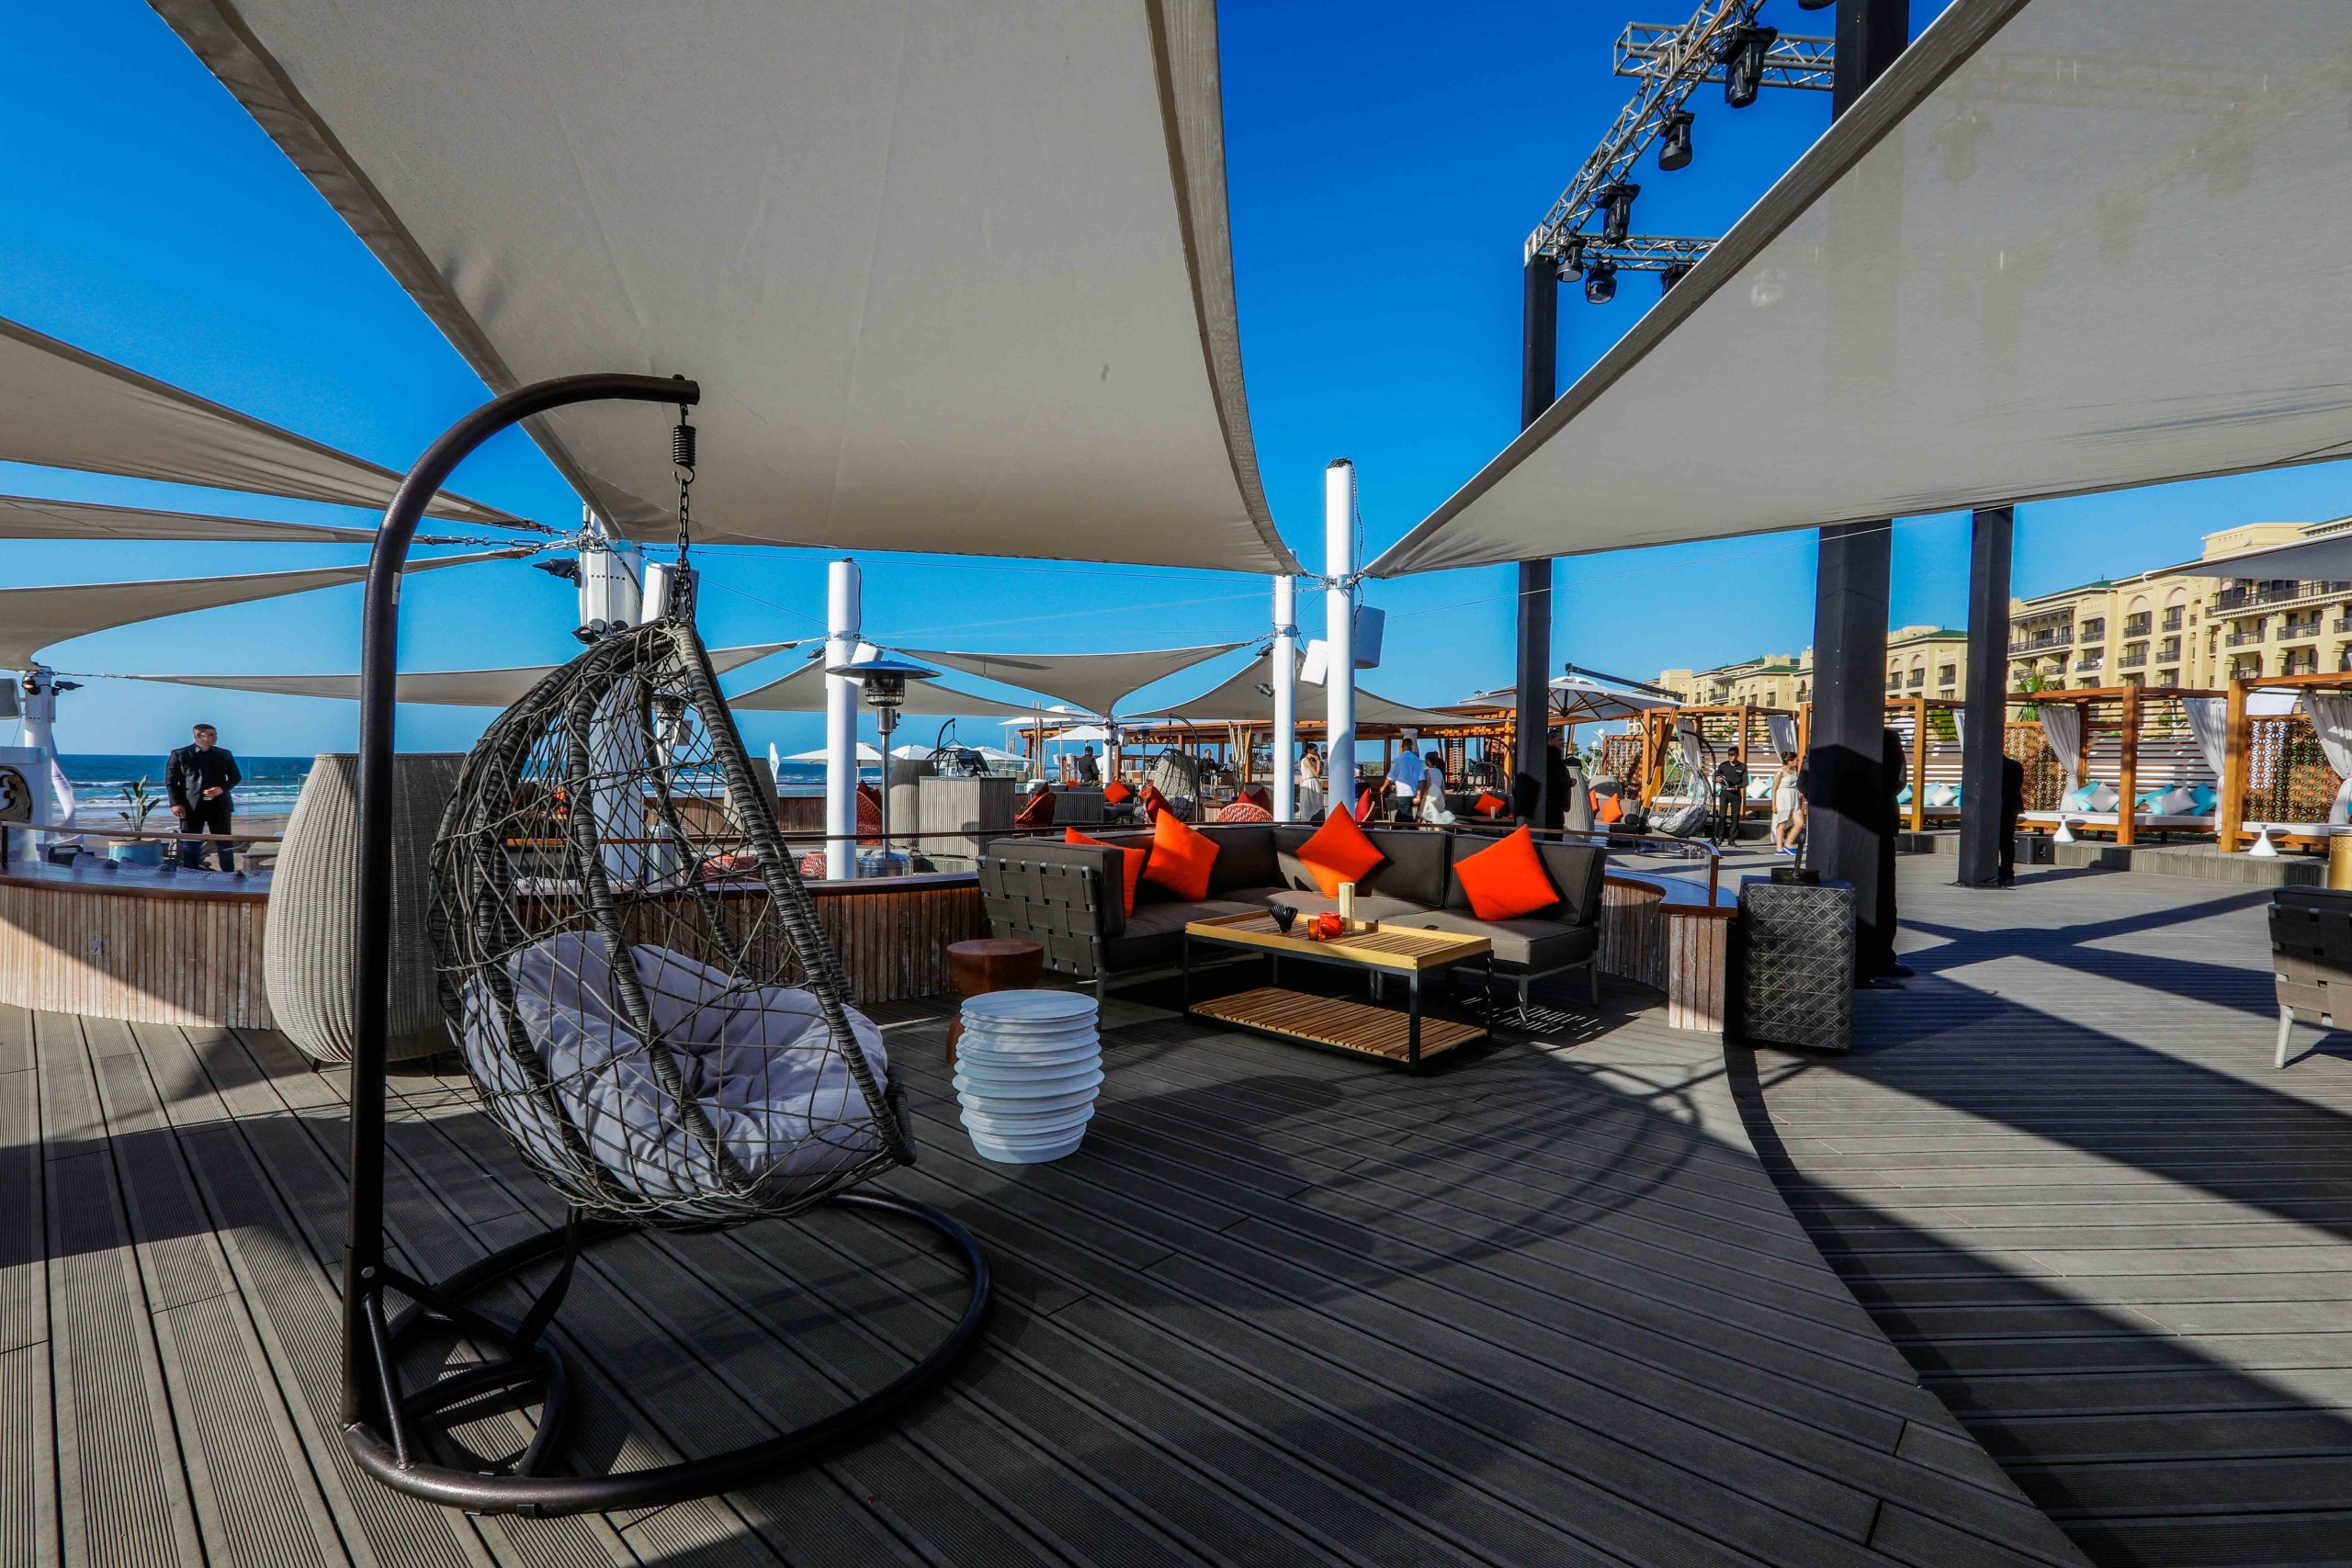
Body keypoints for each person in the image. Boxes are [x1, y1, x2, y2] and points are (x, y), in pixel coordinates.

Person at [166, 722, 242, 871]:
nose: (215, 738)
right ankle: (191, 876)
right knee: (191, 844)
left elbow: (235, 777)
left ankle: (229, 876)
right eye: (212, 735)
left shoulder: (224, 754)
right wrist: (175, 803)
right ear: (199, 736)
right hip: (191, 806)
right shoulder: (180, 754)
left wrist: (221, 789)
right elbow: (171, 781)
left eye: (215, 734)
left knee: (224, 843)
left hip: (219, 805)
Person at [1770, 752, 1806, 856]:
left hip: (1794, 797)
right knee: (1781, 823)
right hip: (1783, 798)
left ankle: (1788, 844)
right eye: (1795, 760)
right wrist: (1774, 805)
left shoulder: (1794, 771)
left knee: (1799, 823)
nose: (1797, 762)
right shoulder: (1780, 772)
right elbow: (1775, 788)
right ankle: (1779, 848)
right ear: (1790, 761)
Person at [1385, 734, 1425, 824]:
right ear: (1411, 746)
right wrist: (1418, 795)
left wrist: (1383, 787)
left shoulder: (1397, 760)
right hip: (1412, 792)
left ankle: (1410, 832)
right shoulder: (1417, 760)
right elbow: (1421, 779)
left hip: (1402, 792)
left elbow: (1390, 776)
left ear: (1402, 746)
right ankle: (1399, 831)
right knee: (1402, 814)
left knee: (1405, 815)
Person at [1998, 753, 2025, 887]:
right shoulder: (2015, 765)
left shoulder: (1996, 767)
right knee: (2007, 841)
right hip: (2011, 807)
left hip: (2002, 807)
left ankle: (2003, 871)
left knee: (2003, 841)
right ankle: (2007, 871)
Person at [1414, 750, 1455, 826]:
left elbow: (1427, 785)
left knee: (1420, 816)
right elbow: (1442, 786)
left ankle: (1414, 834)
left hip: (1429, 797)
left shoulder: (1427, 771)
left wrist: (1423, 798)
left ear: (1427, 760)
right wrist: (1443, 798)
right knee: (1435, 820)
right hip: (1438, 798)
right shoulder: (1439, 771)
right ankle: (1438, 835)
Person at [1295, 746, 1326, 820]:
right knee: (1308, 804)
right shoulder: (1305, 760)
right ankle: (1307, 821)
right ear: (1309, 750)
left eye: (1317, 750)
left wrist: (1319, 763)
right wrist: (1318, 761)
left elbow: (1319, 773)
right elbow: (1317, 774)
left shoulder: (1312, 761)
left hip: (1314, 783)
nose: (1316, 752)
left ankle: (1317, 819)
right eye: (1315, 750)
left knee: (1317, 803)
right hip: (1309, 784)